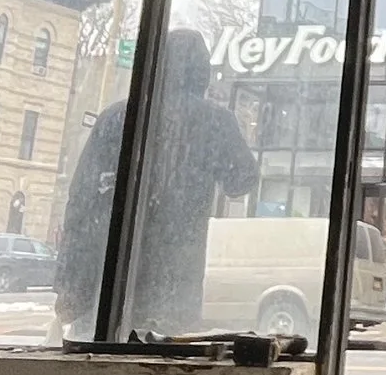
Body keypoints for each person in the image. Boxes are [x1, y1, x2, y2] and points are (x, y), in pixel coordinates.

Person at [54, 28, 257, 338]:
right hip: (174, 286)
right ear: (202, 71)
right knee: (163, 367)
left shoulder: (115, 117)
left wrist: (69, 284)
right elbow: (242, 180)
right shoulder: (215, 122)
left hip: (109, 284)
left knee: (98, 361)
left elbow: (80, 203)